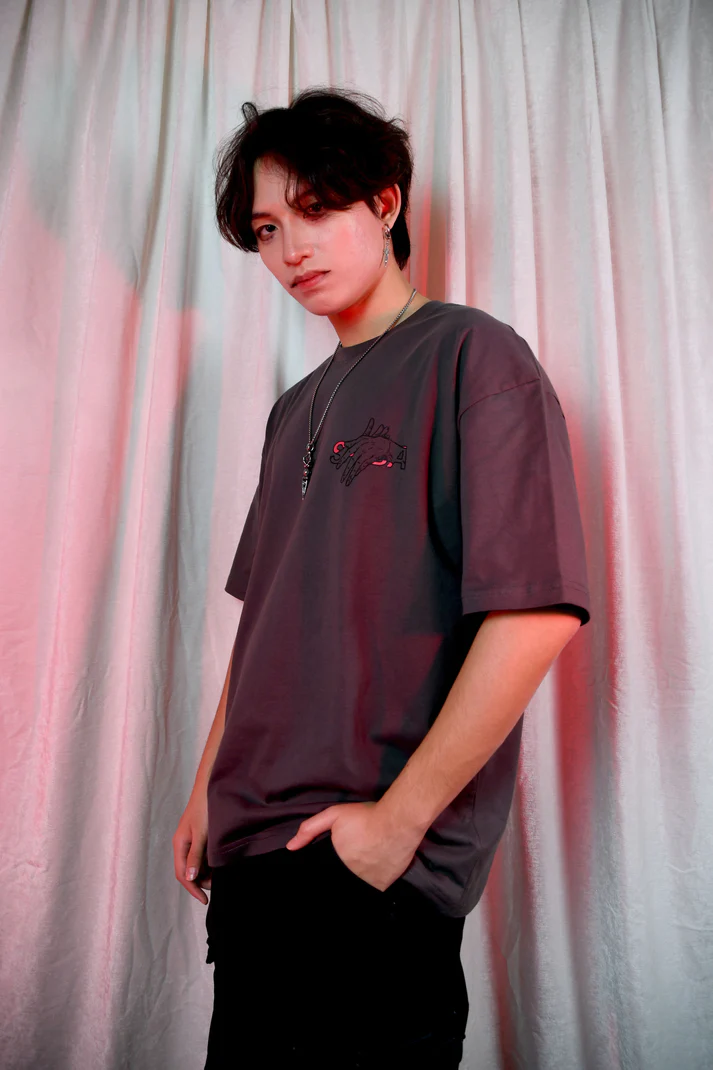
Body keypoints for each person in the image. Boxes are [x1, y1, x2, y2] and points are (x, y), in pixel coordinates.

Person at [172, 86, 591, 1069]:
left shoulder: (472, 355)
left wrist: (396, 824)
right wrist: (204, 788)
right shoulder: (293, 407)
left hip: (369, 862)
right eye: (266, 229)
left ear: (386, 202)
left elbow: (535, 612)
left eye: (314, 210)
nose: (290, 250)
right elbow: (266, 621)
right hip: (253, 856)